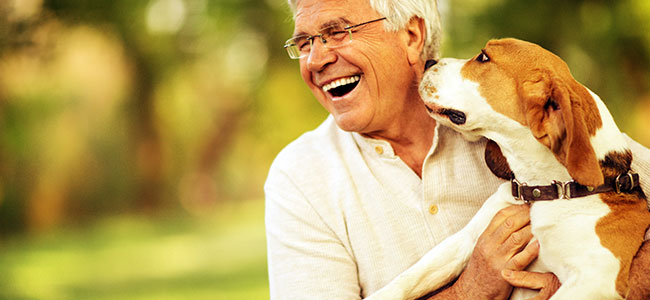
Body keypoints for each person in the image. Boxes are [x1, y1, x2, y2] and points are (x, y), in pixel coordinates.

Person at [264, 0, 650, 299]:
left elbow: (608, 163)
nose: (316, 58)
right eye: (304, 43)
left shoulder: (509, 119)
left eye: (337, 32)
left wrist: (608, 277)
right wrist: (471, 290)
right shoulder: (298, 179)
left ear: (412, 36)